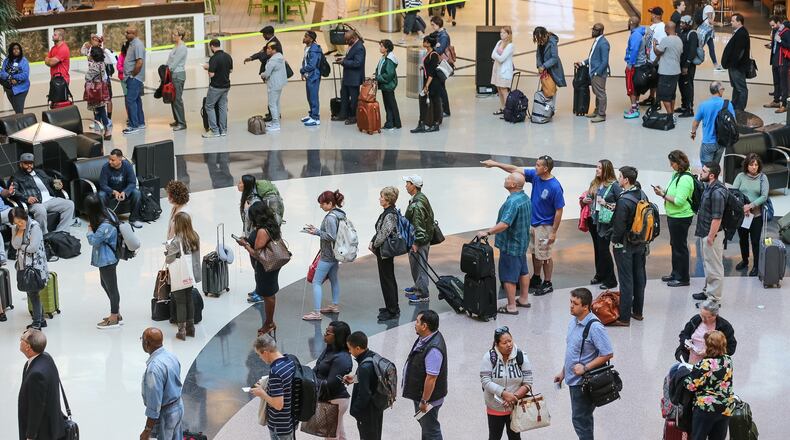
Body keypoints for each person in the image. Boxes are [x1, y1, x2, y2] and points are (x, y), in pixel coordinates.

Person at [481, 156, 565, 296]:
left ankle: (548, 283)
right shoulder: (536, 176)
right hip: (533, 223)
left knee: (545, 255)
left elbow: (559, 210)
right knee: (535, 253)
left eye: (538, 165)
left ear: (545, 168)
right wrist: (495, 164)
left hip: (545, 226)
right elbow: (515, 169)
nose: (535, 167)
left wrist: (553, 232)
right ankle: (537, 277)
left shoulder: (555, 186)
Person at [553, 288, 614, 440]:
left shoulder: (595, 327)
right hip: (573, 379)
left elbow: (607, 353)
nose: (571, 306)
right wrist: (563, 372)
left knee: (581, 420)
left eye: (575, 303)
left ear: (585, 306)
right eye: (570, 302)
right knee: (581, 418)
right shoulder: (574, 322)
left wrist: (585, 368)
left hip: (583, 383)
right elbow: (573, 351)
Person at [476, 172, 532, 315]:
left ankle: (511, 306)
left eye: (508, 178)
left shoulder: (512, 202)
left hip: (510, 245)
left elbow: (505, 224)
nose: (505, 179)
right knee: (523, 271)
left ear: (513, 184)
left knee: (508, 276)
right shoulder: (525, 198)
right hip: (522, 242)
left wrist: (487, 232)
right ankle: (524, 299)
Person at [609, 166, 648, 326]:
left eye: (620, 176)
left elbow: (619, 226)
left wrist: (613, 241)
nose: (618, 179)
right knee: (639, 277)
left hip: (625, 244)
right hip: (640, 243)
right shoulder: (642, 194)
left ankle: (624, 317)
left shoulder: (624, 200)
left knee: (626, 280)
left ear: (625, 180)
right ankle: (638, 312)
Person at [480, 326, 533, 440]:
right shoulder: (489, 357)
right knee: (494, 437)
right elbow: (485, 381)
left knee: (515, 437)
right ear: (497, 344)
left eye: (510, 341)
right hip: (494, 408)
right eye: (504, 343)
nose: (509, 345)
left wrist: (514, 397)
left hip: (515, 408)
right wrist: (504, 393)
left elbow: (528, 382)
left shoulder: (521, 356)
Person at [236, 203, 282, 335]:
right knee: (269, 293)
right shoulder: (272, 225)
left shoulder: (262, 231)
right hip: (272, 264)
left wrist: (245, 245)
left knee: (268, 295)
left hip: (264, 267)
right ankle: (269, 322)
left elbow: (257, 253)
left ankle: (269, 323)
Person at [652, 150, 695, 287]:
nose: (671, 165)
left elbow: (679, 201)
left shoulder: (686, 179)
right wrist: (663, 191)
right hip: (674, 216)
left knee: (680, 247)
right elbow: (674, 193)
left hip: (681, 217)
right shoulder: (677, 175)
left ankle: (683, 278)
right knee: (675, 245)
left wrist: (662, 195)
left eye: (673, 163)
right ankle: (675, 273)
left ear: (679, 163)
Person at [403, 310, 447, 440]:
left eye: (417, 321)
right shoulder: (427, 337)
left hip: (428, 399)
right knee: (426, 427)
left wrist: (424, 401)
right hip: (422, 395)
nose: (415, 324)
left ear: (424, 326)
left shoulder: (433, 350)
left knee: (431, 430)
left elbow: (431, 378)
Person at [303, 190, 346, 320]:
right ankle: (334, 305)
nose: (321, 206)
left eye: (322, 203)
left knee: (316, 282)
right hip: (336, 254)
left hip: (327, 255)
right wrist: (317, 230)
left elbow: (331, 236)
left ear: (330, 203)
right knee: (334, 279)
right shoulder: (340, 214)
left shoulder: (330, 217)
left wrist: (317, 232)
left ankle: (316, 312)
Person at [684, 330, 735, 440]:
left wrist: (685, 374)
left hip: (706, 408)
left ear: (709, 346)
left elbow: (691, 386)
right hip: (725, 407)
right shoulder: (728, 360)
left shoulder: (705, 364)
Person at [17, 329, 66, 440]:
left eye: (22, 339)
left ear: (28, 347)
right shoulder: (46, 357)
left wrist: (30, 435)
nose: (20, 340)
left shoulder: (36, 375)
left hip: (42, 432)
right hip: (52, 424)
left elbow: (36, 408)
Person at [12, 153, 75, 235]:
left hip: (50, 199)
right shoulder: (17, 177)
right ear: (21, 164)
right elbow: (14, 191)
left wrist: (56, 183)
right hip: (35, 203)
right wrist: (27, 198)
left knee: (69, 204)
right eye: (26, 163)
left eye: (31, 163)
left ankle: (62, 232)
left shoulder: (40, 172)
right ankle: (44, 235)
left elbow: (50, 180)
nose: (29, 166)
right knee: (41, 210)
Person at [84, 194, 122, 329]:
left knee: (112, 288)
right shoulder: (108, 212)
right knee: (105, 284)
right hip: (107, 257)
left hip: (108, 259)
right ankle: (116, 313)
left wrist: (89, 230)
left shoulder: (105, 225)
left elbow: (93, 240)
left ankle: (114, 317)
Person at [140, 327, 184, 440]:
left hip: (166, 415)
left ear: (147, 343)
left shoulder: (154, 369)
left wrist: (147, 430)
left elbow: (154, 404)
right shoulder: (171, 356)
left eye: (142, 340)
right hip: (178, 406)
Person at [581, 160, 619, 290]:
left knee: (604, 249)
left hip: (606, 223)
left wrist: (605, 203)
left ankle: (611, 279)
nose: (597, 170)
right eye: (596, 167)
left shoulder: (614, 186)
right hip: (594, 220)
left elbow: (620, 204)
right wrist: (585, 200)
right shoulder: (595, 183)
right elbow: (588, 197)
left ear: (607, 170)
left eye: (600, 168)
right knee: (598, 248)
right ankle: (600, 274)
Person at [251, 334, 297, 440]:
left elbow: (278, 405)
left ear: (265, 353)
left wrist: (261, 393)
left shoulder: (275, 372)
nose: (260, 358)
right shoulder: (290, 360)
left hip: (280, 425)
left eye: (259, 355)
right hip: (291, 419)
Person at [693, 162, 726, 303]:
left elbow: (717, 218)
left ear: (711, 175)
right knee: (708, 265)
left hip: (712, 235)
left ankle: (714, 300)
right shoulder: (709, 187)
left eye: (704, 171)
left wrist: (711, 237)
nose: (701, 173)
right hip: (705, 232)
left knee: (714, 268)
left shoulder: (717, 192)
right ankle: (708, 292)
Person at [10, 207, 48, 329]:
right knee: (31, 291)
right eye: (16, 223)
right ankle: (41, 320)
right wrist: (20, 232)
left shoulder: (34, 227)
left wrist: (22, 247)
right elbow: (15, 245)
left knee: (33, 293)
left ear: (24, 217)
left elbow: (33, 248)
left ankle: (37, 323)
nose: (19, 224)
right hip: (23, 265)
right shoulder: (15, 228)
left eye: (20, 221)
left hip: (35, 266)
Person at [732, 153, 769, 276]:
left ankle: (756, 265)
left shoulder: (763, 178)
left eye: (756, 165)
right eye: (751, 165)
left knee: (755, 241)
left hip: (756, 216)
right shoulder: (740, 176)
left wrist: (750, 206)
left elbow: (764, 196)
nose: (754, 167)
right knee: (743, 239)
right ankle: (745, 260)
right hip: (742, 215)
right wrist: (743, 207)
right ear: (746, 165)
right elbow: (734, 193)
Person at [165, 213, 201, 340]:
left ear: (178, 224)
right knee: (189, 299)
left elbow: (169, 259)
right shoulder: (194, 236)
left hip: (179, 275)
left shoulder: (176, 241)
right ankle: (191, 328)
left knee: (180, 302)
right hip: (190, 274)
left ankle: (182, 331)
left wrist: (168, 249)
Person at [314, 321, 353, 440]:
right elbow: (317, 368)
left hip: (335, 401)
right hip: (328, 398)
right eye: (326, 331)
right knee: (339, 434)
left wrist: (311, 381)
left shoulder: (342, 358)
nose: (324, 334)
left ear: (338, 337)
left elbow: (331, 384)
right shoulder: (329, 349)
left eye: (328, 333)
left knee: (331, 436)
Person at [370, 186, 401, 320]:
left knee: (387, 279)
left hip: (385, 251)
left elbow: (384, 233)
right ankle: (391, 306)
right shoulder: (388, 212)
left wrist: (374, 245)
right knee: (388, 278)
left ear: (388, 199)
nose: (380, 199)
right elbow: (380, 231)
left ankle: (392, 310)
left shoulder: (389, 214)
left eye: (382, 197)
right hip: (384, 251)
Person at [346, 331, 384, 440]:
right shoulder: (374, 356)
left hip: (367, 412)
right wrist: (354, 378)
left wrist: (355, 411)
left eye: (350, 348)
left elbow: (364, 394)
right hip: (377, 406)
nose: (349, 351)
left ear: (358, 348)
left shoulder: (363, 367)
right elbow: (371, 378)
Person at [403, 175, 435, 303]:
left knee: (420, 266)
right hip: (421, 239)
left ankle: (423, 294)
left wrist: (416, 242)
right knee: (416, 265)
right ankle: (418, 286)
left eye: (408, 183)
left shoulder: (417, 204)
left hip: (419, 241)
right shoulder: (420, 197)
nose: (406, 185)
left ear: (413, 186)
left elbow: (419, 225)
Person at [691, 82, 735, 166]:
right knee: (715, 167)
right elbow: (733, 122)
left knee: (706, 168)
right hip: (721, 141)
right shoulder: (728, 104)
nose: (723, 90)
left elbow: (695, 123)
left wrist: (693, 133)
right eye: (723, 89)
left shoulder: (703, 105)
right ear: (719, 90)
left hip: (708, 141)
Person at [245, 26, 282, 122]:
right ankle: (274, 113)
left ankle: (273, 116)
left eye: (264, 34)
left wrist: (263, 74)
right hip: (273, 74)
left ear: (269, 34)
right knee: (274, 97)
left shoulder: (274, 44)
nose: (263, 36)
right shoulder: (271, 42)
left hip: (273, 75)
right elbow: (261, 52)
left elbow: (264, 56)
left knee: (272, 97)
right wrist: (251, 57)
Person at [99, 149, 143, 228]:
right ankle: (105, 220)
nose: (110, 162)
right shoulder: (105, 167)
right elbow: (103, 185)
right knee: (101, 195)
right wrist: (113, 192)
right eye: (109, 159)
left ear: (120, 160)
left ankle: (133, 219)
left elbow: (132, 182)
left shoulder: (127, 166)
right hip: (111, 192)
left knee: (137, 193)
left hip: (123, 191)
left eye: (113, 160)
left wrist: (125, 192)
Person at [575, 23, 610, 123]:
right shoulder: (597, 41)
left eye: (595, 30)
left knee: (601, 94)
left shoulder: (604, 44)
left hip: (598, 74)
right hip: (594, 72)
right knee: (597, 93)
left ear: (601, 31)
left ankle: (601, 115)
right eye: (593, 29)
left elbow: (604, 62)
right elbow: (592, 58)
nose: (593, 31)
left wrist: (597, 73)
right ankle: (597, 111)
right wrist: (583, 63)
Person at [411, 34, 444, 133]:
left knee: (435, 102)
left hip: (433, 83)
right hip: (429, 82)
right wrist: (423, 67)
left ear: (429, 44)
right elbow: (429, 67)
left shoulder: (433, 55)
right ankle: (422, 123)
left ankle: (435, 124)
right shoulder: (428, 52)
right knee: (425, 101)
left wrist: (426, 86)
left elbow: (432, 73)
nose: (423, 43)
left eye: (425, 41)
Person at [80, 34, 117, 121]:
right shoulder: (90, 50)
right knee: (94, 100)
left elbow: (113, 60)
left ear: (100, 41)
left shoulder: (102, 51)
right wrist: (85, 44)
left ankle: (108, 119)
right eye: (93, 39)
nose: (94, 41)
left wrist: (105, 50)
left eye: (97, 40)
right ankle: (97, 120)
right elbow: (82, 51)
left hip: (103, 80)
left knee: (107, 99)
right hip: (93, 81)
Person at [203, 39, 233, 138]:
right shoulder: (228, 56)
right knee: (222, 107)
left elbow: (211, 74)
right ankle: (223, 130)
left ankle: (214, 131)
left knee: (209, 106)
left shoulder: (214, 58)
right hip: (226, 86)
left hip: (216, 87)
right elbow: (230, 70)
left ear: (212, 46)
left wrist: (208, 68)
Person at [334, 31, 366, 126]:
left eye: (348, 40)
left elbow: (357, 63)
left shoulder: (359, 47)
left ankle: (354, 116)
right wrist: (343, 59)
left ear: (353, 38)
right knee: (344, 95)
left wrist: (344, 62)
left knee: (354, 98)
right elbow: (351, 58)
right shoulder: (352, 45)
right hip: (348, 76)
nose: (346, 42)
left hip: (354, 78)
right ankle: (343, 114)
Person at [638, 7, 667, 106]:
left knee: (656, 80)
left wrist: (656, 60)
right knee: (652, 80)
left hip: (656, 60)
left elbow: (661, 46)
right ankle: (651, 97)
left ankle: (656, 101)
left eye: (652, 13)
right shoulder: (653, 26)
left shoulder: (662, 28)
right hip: (650, 59)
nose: (651, 15)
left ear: (656, 15)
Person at [721, 13, 750, 111]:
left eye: (733, 21)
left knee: (741, 88)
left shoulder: (742, 33)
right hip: (734, 66)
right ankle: (734, 105)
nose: (731, 22)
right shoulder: (739, 32)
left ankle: (740, 109)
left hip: (737, 67)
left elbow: (739, 52)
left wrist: (732, 64)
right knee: (736, 87)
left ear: (739, 22)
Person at [654, 21, 683, 118]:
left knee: (664, 95)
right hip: (676, 71)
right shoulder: (679, 39)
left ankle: (670, 116)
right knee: (672, 94)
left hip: (666, 71)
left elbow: (658, 52)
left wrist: (654, 45)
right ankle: (672, 113)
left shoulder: (666, 40)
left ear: (666, 28)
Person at [85, 46, 113, 140]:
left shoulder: (95, 66)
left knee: (100, 110)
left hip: (95, 91)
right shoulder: (102, 63)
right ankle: (99, 130)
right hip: (101, 89)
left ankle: (107, 129)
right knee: (98, 110)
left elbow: (87, 77)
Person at [534, 27, 567, 103]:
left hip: (552, 69)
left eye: (541, 38)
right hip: (544, 70)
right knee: (545, 88)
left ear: (545, 35)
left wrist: (544, 66)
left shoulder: (552, 41)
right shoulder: (540, 40)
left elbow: (554, 58)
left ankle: (551, 107)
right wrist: (539, 65)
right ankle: (545, 106)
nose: (540, 41)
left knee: (551, 89)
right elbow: (538, 55)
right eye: (538, 39)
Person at [122, 27, 145, 135]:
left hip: (135, 78)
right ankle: (140, 122)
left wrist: (132, 75)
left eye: (128, 33)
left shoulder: (138, 45)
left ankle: (133, 125)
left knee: (130, 100)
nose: (125, 34)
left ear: (134, 33)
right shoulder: (131, 44)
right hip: (132, 78)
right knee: (136, 100)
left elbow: (139, 62)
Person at [375, 39, 401, 130]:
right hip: (385, 85)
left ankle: (391, 123)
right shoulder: (384, 57)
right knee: (389, 104)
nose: (380, 48)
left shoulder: (389, 60)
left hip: (388, 86)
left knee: (390, 105)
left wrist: (377, 78)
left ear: (387, 48)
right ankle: (392, 122)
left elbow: (389, 75)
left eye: (382, 46)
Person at [260, 43, 286, 132]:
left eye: (269, 48)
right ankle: (275, 121)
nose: (267, 50)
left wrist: (262, 74)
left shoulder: (273, 60)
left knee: (272, 104)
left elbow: (267, 73)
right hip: (279, 83)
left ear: (274, 50)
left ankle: (276, 124)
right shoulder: (280, 57)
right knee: (276, 103)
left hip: (273, 84)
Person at [623, 16, 646, 118]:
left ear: (631, 23)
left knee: (631, 87)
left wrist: (630, 64)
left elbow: (634, 50)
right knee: (636, 86)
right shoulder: (640, 32)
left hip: (634, 65)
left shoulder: (635, 35)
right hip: (640, 64)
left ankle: (634, 110)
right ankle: (635, 106)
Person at [167, 26, 188, 131]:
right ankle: (177, 120)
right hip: (173, 75)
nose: (172, 36)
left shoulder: (182, 48)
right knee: (173, 98)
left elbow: (174, 63)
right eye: (172, 34)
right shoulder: (176, 46)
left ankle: (182, 123)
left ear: (180, 36)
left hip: (178, 75)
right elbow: (170, 60)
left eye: (174, 34)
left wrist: (167, 71)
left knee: (177, 99)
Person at [300, 30, 323, 127]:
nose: (304, 38)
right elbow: (305, 60)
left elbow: (312, 65)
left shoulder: (314, 50)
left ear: (311, 39)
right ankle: (311, 114)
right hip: (309, 75)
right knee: (309, 96)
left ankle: (315, 118)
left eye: (306, 37)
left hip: (314, 76)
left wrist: (302, 70)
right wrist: (304, 72)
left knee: (313, 97)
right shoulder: (307, 48)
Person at [765, 16, 788, 112]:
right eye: (771, 26)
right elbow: (776, 44)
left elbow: (788, 45)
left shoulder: (786, 32)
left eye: (773, 25)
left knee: (783, 83)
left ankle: (784, 104)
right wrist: (772, 45)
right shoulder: (775, 30)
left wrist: (780, 41)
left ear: (779, 22)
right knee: (776, 81)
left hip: (783, 61)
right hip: (775, 59)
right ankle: (776, 101)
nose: (772, 27)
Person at [677, 15, 698, 117]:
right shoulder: (682, 32)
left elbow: (692, 51)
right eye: (680, 22)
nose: (681, 24)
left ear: (688, 24)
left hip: (688, 66)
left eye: (683, 23)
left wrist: (686, 65)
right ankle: (684, 106)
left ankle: (689, 109)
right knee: (681, 85)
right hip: (680, 64)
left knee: (687, 86)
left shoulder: (692, 34)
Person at [491, 26, 515, 115]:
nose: (501, 34)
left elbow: (501, 59)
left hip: (504, 71)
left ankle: (508, 111)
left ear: (509, 34)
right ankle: (503, 107)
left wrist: (496, 56)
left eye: (504, 33)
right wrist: (497, 56)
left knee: (504, 90)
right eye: (501, 32)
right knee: (499, 89)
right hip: (497, 69)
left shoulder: (510, 46)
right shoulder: (499, 42)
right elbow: (492, 54)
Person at [430, 16, 451, 117]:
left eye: (433, 25)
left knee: (441, 87)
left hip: (441, 64)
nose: (432, 27)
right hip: (440, 63)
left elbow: (440, 50)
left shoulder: (443, 36)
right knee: (441, 87)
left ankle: (445, 110)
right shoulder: (439, 34)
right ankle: (442, 108)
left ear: (438, 24)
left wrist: (433, 48)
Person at [0, 43, 30, 114]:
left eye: (18, 48)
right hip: (8, 88)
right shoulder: (7, 60)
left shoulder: (23, 61)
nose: (16, 50)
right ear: (11, 50)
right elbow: (2, 73)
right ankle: (20, 120)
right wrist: (10, 77)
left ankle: (22, 121)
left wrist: (14, 77)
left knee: (19, 111)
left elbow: (25, 75)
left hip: (20, 89)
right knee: (16, 110)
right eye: (14, 49)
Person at [699, 0, 723, 71]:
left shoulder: (710, 7)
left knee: (711, 48)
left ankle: (715, 65)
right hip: (705, 31)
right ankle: (689, 63)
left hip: (708, 30)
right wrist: (718, 24)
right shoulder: (709, 7)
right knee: (699, 47)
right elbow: (710, 21)